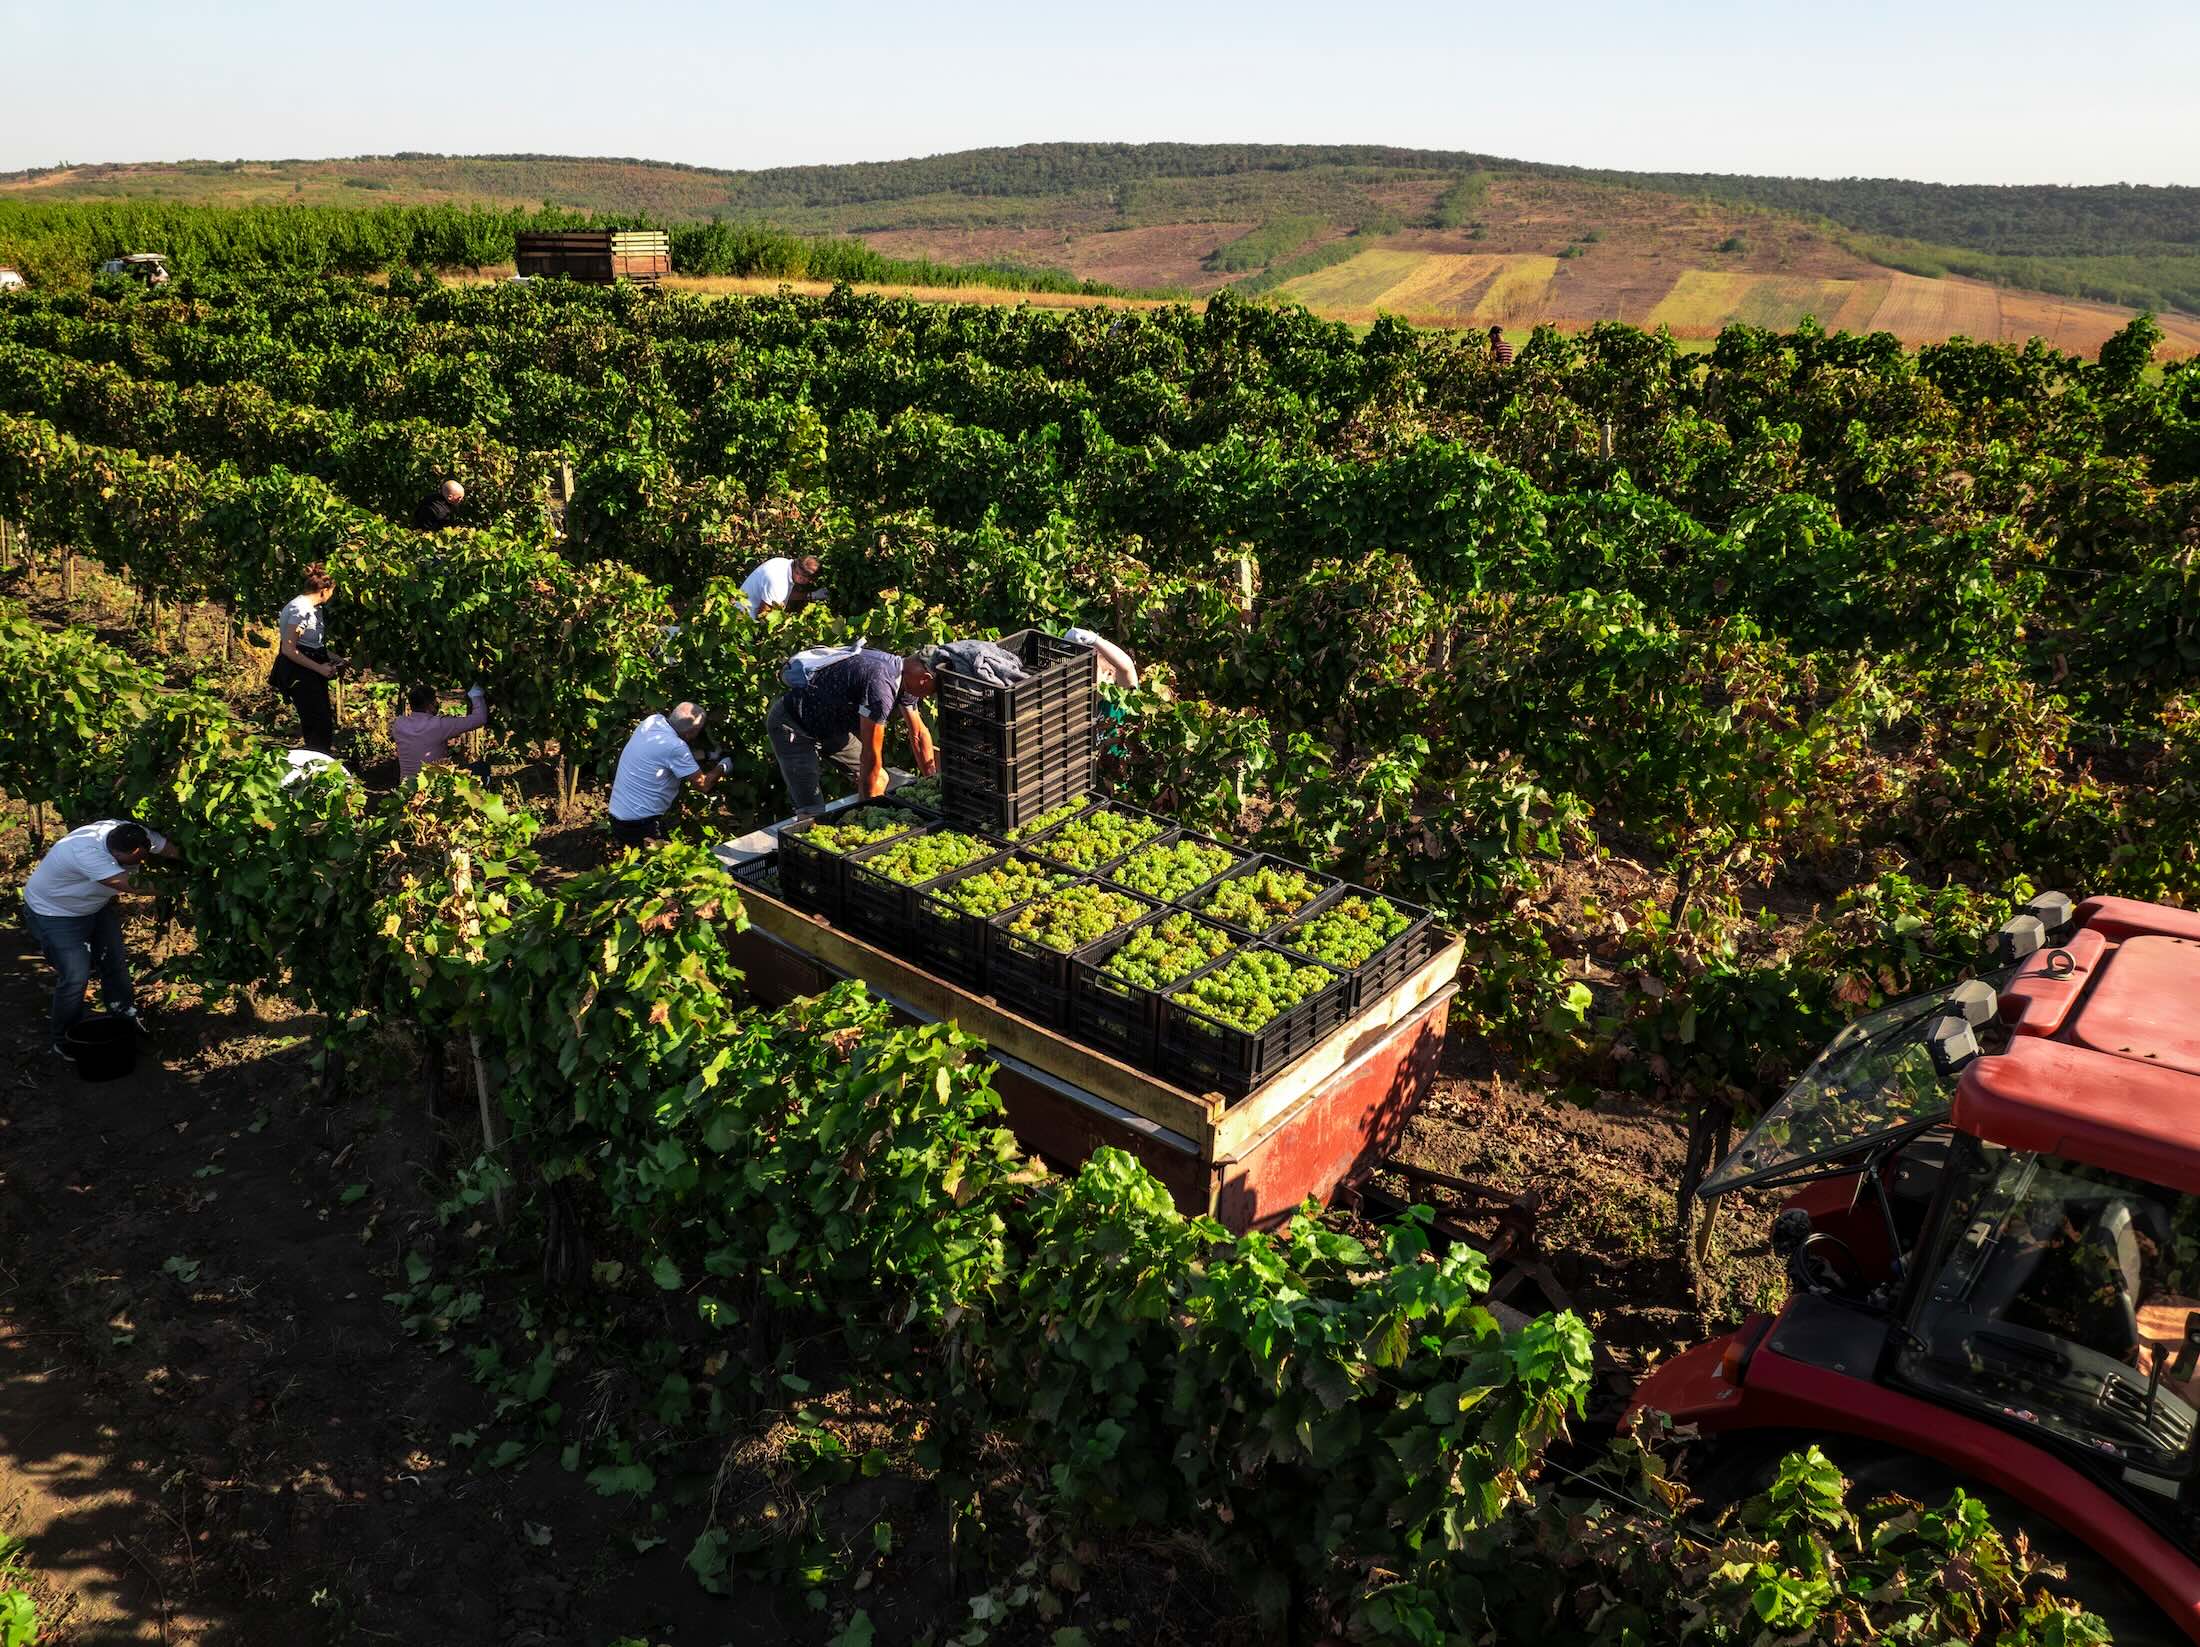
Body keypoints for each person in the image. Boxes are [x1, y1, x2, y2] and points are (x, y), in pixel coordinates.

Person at [22, 819, 179, 1058]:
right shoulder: (86, 853)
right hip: (55, 911)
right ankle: (62, 1038)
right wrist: (184, 885)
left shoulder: (133, 834)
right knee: (75, 976)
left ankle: (124, 1016)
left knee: (115, 961)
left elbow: (167, 848)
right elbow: (132, 885)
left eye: (144, 855)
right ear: (115, 854)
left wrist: (203, 863)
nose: (141, 862)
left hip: (93, 906)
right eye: (135, 859)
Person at [766, 649, 939, 815]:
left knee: (880, 778)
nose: (929, 697)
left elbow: (919, 735)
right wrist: (868, 809)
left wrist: (931, 786)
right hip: (793, 724)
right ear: (925, 679)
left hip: (831, 727)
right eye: (933, 691)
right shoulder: (880, 687)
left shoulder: (904, 679)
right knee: (812, 812)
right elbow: (870, 754)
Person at [606, 703, 733, 847]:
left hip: (618, 815)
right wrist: (723, 767)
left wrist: (708, 755)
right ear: (691, 733)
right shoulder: (676, 747)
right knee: (669, 864)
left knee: (639, 861)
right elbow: (703, 785)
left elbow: (664, 757)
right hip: (640, 824)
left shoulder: (652, 721)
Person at [271, 565, 345, 755]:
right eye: (332, 591)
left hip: (308, 669)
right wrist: (320, 669)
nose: (332, 595)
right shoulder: (300, 610)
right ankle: (316, 767)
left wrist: (336, 659)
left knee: (318, 721)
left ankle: (316, 763)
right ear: (323, 591)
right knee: (318, 722)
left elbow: (310, 644)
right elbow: (289, 649)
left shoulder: (312, 608)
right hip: (299, 672)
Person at [393, 684, 490, 783]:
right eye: (435, 700)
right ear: (430, 705)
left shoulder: (399, 724)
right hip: (433, 788)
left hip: (406, 786)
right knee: (481, 768)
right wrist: (476, 694)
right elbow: (479, 719)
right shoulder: (438, 725)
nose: (437, 703)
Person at [739, 555, 821, 619]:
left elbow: (783, 594)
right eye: (809, 579)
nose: (810, 582)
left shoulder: (783, 563)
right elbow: (763, 614)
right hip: (746, 619)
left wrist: (813, 595)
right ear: (801, 577)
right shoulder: (778, 581)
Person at [1063, 626, 1138, 689]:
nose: (1080, 674)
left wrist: (1095, 640)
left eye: (1089, 669)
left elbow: (1127, 668)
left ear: (1109, 674)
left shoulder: (1114, 701)